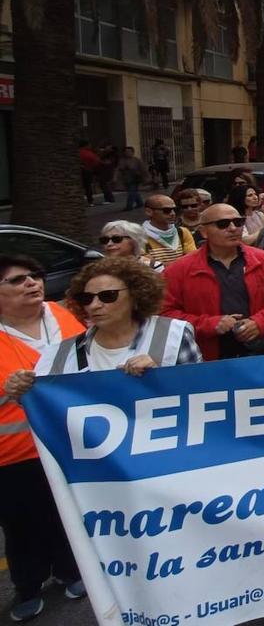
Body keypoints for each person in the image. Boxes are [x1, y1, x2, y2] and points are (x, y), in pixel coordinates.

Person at [0, 260, 86, 622]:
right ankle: (29, 585)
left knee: (68, 513)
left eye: (35, 276)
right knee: (22, 524)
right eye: (17, 280)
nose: (31, 283)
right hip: (15, 455)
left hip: (71, 443)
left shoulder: (63, 314)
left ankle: (71, 570)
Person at [29, 257, 200, 376]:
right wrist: (22, 390)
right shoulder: (62, 352)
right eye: (86, 298)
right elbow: (46, 401)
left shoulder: (174, 334)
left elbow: (200, 393)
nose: (94, 305)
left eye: (108, 295)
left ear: (136, 295)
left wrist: (160, 377)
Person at [161, 203, 264, 360]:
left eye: (238, 222)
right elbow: (165, 314)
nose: (233, 228)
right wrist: (210, 324)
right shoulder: (178, 270)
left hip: (261, 355)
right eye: (223, 224)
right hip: (208, 359)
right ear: (204, 232)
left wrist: (259, 322)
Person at [142, 194, 196, 267]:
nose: (173, 213)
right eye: (166, 210)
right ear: (149, 211)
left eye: (175, 210)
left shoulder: (183, 232)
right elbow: (146, 265)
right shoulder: (139, 236)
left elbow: (193, 259)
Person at [98, 220, 163, 271]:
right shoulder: (99, 268)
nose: (109, 244)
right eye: (105, 240)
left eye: (116, 239)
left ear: (134, 240)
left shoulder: (153, 266)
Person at [118, 145, 147, 210]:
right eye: (126, 152)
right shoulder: (122, 160)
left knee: (131, 192)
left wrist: (145, 177)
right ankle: (139, 203)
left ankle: (129, 206)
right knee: (133, 191)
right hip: (127, 179)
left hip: (135, 178)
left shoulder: (137, 160)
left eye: (129, 151)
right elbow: (119, 169)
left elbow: (143, 169)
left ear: (132, 152)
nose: (127, 153)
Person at [79, 139, 101, 205]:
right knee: (88, 186)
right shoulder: (88, 153)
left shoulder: (77, 152)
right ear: (87, 145)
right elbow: (96, 161)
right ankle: (90, 201)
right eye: (89, 145)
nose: (90, 146)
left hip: (81, 170)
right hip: (87, 170)